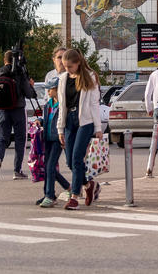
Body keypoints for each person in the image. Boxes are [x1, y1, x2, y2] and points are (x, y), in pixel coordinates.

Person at [57, 49, 103, 210]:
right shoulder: (63, 78)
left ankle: (75, 197)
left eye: (70, 66)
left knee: (77, 158)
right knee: (70, 161)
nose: (67, 69)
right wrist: (60, 129)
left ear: (78, 63)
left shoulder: (90, 77)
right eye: (64, 66)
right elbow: (61, 105)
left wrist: (98, 127)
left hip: (85, 122)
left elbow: (94, 104)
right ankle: (89, 185)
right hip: (69, 121)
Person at [0, 50, 38, 180]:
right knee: (20, 140)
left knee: (1, 138)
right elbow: (28, 93)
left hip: (2, 110)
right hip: (18, 109)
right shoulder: (19, 73)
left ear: (4, 60)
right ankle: (17, 171)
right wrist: (31, 87)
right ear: (16, 59)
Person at [37, 78, 71, 208]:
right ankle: (67, 187)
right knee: (48, 168)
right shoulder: (48, 105)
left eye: (50, 89)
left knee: (50, 166)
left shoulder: (63, 105)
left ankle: (50, 196)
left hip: (58, 139)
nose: (48, 92)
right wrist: (40, 121)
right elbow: (47, 119)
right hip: (48, 139)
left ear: (57, 90)